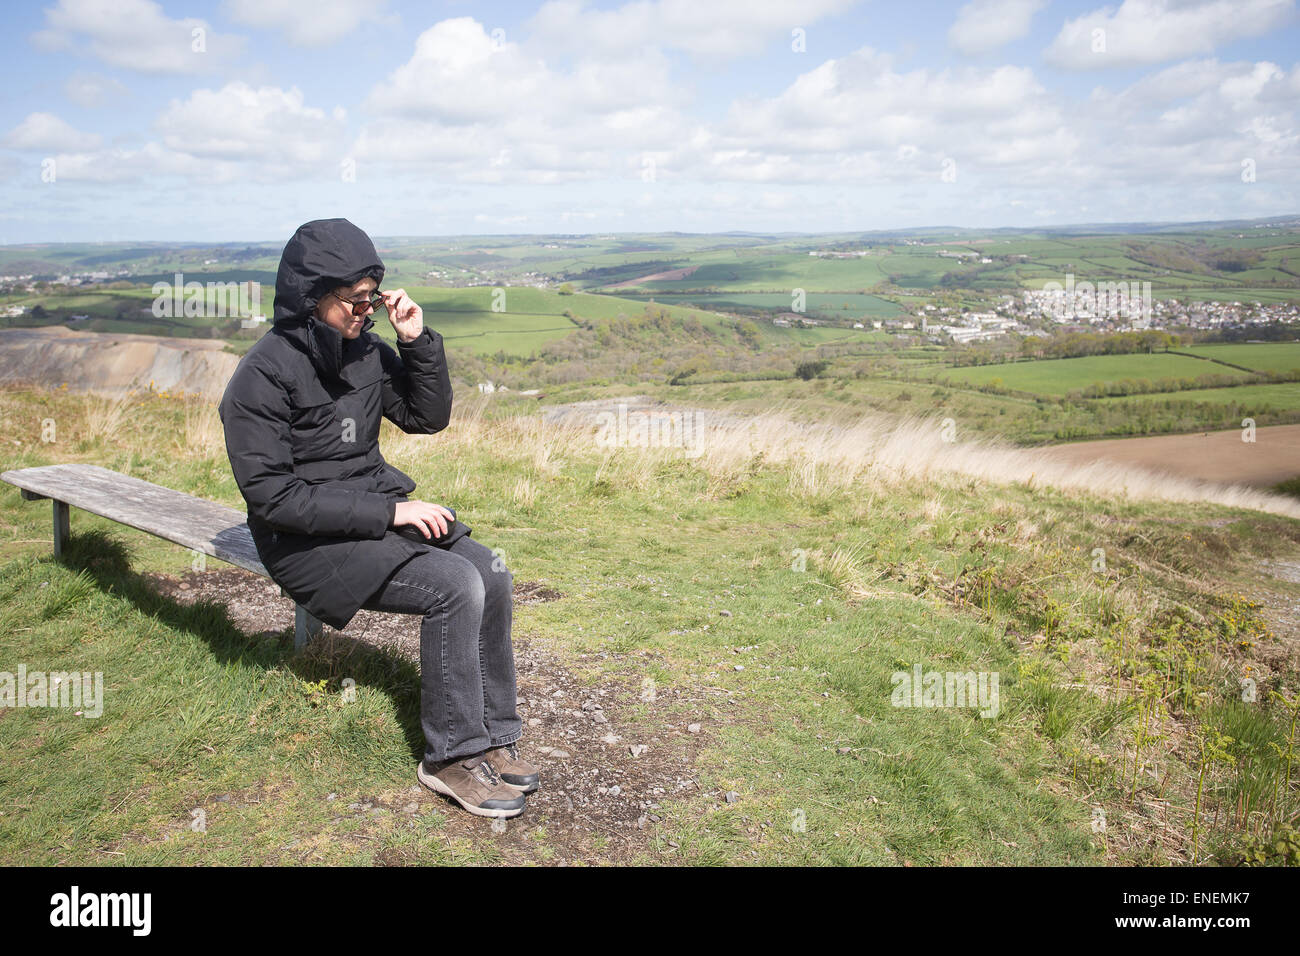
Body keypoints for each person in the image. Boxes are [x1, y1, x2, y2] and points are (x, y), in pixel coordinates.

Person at [218, 218, 537, 819]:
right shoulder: (261, 376)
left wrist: (416, 342)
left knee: (491, 573)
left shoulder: (365, 351)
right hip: (304, 540)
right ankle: (450, 760)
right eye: (355, 301)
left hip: (373, 515)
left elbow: (425, 416)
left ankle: (495, 733)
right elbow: (273, 497)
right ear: (311, 299)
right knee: (454, 586)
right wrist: (391, 511)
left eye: (373, 298)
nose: (367, 311)